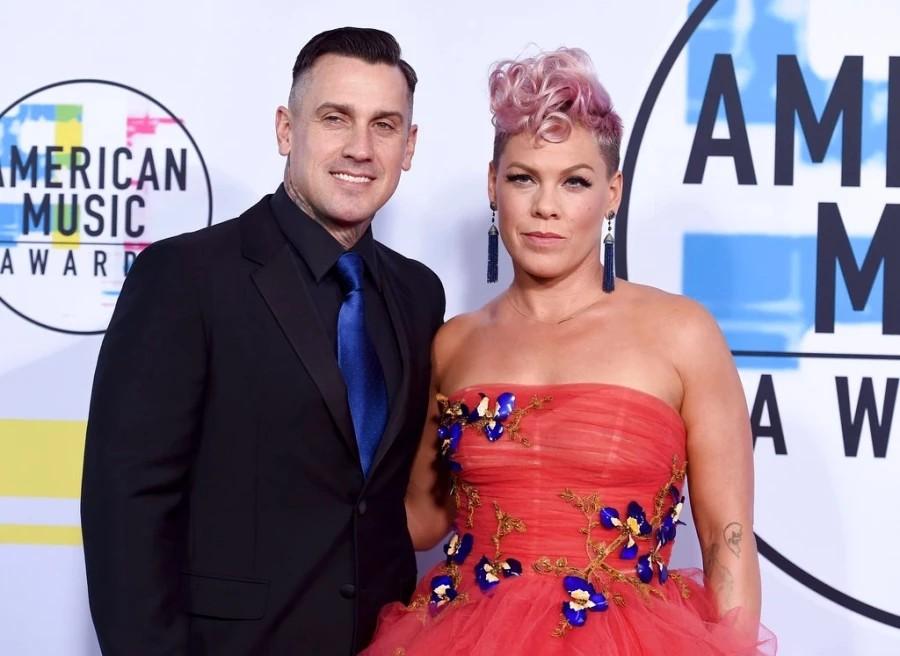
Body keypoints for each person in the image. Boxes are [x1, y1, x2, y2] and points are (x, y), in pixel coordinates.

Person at [362, 48, 775, 655]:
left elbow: (726, 541)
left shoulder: (683, 334)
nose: (546, 207)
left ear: (612, 194)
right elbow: (422, 518)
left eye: (574, 181)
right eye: (523, 177)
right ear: (493, 185)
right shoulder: (455, 343)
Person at [81, 27, 444, 655]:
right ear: (286, 129)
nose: (360, 148)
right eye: (335, 118)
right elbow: (127, 507)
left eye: (384, 126)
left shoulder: (419, 293)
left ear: (408, 146)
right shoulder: (186, 277)